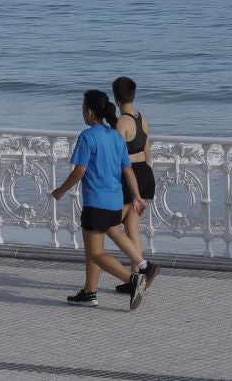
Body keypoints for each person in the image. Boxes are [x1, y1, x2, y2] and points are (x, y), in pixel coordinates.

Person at [51, 89, 148, 310]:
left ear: (89, 112)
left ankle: (132, 280)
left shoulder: (88, 136)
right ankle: (89, 292)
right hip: (115, 202)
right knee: (94, 249)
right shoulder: (115, 135)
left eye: (82, 108)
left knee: (95, 253)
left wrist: (61, 190)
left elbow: (79, 171)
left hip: (96, 202)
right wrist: (136, 196)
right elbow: (128, 170)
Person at [112, 76, 160, 295]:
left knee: (112, 226)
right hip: (145, 173)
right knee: (132, 229)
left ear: (115, 98)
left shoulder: (123, 122)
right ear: (133, 95)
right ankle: (136, 280)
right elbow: (147, 150)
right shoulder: (142, 119)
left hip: (130, 176)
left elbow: (116, 155)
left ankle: (143, 269)